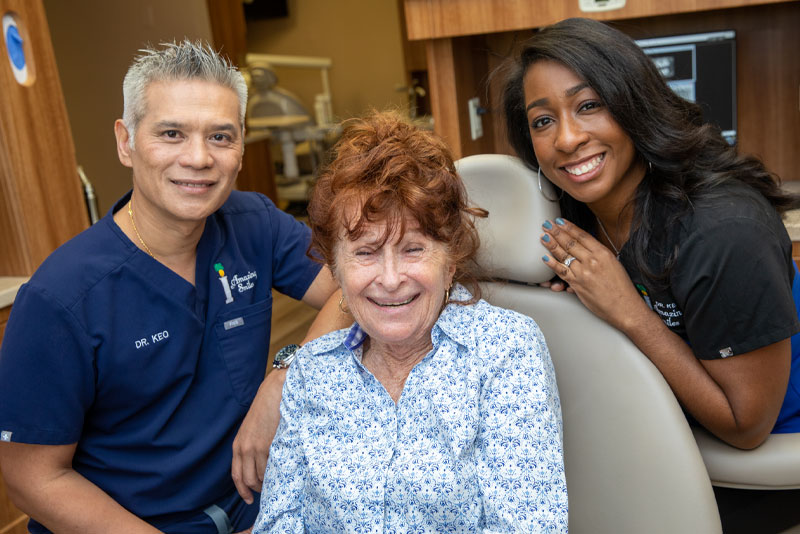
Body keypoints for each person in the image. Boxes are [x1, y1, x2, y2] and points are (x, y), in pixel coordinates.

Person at [0, 41, 345, 533]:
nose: (199, 158)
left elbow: (355, 290)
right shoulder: (62, 298)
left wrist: (284, 381)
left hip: (253, 506)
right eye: (171, 133)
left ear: (242, 145)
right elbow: (33, 480)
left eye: (220, 136)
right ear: (126, 141)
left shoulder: (254, 224)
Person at [502, 17, 800, 532]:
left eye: (589, 105)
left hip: (769, 451)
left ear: (634, 104)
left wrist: (628, 313)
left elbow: (747, 426)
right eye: (542, 121)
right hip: (663, 430)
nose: (567, 139)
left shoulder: (721, 232)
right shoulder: (575, 215)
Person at [251, 111, 568, 533]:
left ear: (450, 259)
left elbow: (529, 526)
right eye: (365, 252)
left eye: (413, 248)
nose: (390, 278)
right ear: (336, 269)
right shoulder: (311, 372)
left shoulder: (505, 350)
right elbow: (280, 523)